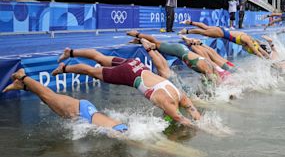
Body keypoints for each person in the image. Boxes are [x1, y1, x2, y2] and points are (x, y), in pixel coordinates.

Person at [52, 48, 201, 126]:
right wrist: (204, 130)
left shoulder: (180, 95)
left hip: (136, 65)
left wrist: (199, 120)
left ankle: (70, 52)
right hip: (129, 75)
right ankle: (64, 68)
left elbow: (192, 110)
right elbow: (181, 119)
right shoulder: (169, 104)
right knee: (92, 72)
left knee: (101, 58)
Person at [3, 69, 128, 133]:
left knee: (49, 99)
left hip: (85, 114)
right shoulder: (123, 133)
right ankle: (22, 76)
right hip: (82, 112)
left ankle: (23, 86)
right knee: (49, 96)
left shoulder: (124, 130)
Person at [126, 30, 222, 83]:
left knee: (163, 66)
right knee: (156, 42)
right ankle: (137, 34)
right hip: (179, 50)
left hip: (183, 51)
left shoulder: (211, 69)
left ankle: (142, 41)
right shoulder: (209, 72)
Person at [179, 20, 270, 58]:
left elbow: (260, 49)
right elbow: (256, 51)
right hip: (221, 33)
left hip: (222, 31)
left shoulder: (254, 42)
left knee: (205, 28)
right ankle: (186, 31)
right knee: (203, 32)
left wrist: (269, 58)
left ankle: (189, 22)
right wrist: (264, 59)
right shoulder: (248, 40)